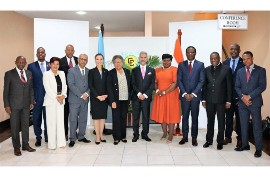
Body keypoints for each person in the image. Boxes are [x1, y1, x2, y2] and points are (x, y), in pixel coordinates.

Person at [234, 51, 266, 158]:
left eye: (248, 58)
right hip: (242, 103)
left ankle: (258, 149)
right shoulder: (240, 71)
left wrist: (249, 96)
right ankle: (245, 145)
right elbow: (237, 87)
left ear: (252, 58)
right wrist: (243, 98)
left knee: (256, 126)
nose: (246, 61)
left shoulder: (260, 70)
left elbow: (262, 86)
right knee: (243, 125)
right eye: (243, 59)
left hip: (255, 102)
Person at [3, 56, 36, 156]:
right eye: (19, 62)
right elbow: (6, 91)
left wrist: (31, 101)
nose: (21, 63)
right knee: (15, 127)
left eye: (23, 62)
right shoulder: (9, 74)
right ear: (15, 62)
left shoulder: (29, 73)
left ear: (25, 63)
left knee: (25, 126)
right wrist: (6, 105)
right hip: (14, 106)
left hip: (26, 105)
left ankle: (25, 145)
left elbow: (31, 89)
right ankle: (16, 147)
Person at [202, 52, 232, 150]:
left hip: (221, 101)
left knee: (221, 122)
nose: (213, 60)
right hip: (209, 100)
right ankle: (209, 140)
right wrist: (203, 99)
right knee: (210, 121)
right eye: (211, 59)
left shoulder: (226, 69)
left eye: (215, 58)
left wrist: (228, 101)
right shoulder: (206, 70)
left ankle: (220, 141)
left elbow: (229, 86)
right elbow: (204, 86)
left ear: (219, 58)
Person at [177, 46, 205, 146]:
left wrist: (193, 94)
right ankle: (185, 137)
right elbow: (179, 80)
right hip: (184, 97)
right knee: (184, 118)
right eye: (188, 52)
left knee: (194, 118)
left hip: (195, 97)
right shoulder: (181, 64)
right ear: (186, 53)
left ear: (195, 53)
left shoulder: (200, 65)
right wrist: (184, 93)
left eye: (192, 52)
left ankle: (194, 137)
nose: (190, 54)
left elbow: (201, 81)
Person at [151, 54, 180, 144]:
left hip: (171, 96)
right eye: (164, 60)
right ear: (162, 61)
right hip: (159, 96)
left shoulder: (175, 69)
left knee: (171, 115)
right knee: (162, 114)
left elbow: (175, 83)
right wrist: (157, 90)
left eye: (168, 60)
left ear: (171, 61)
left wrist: (165, 92)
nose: (166, 62)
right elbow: (155, 82)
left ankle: (170, 135)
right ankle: (164, 133)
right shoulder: (157, 70)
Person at [223, 43, 245, 148]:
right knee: (228, 118)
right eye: (231, 49)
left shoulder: (244, 62)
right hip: (228, 97)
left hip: (240, 97)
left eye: (235, 49)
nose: (233, 51)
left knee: (240, 119)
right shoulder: (225, 62)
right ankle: (228, 137)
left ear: (239, 50)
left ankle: (240, 138)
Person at [27, 47, 50, 147]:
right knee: (36, 118)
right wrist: (31, 99)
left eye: (42, 52)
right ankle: (38, 137)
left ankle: (48, 136)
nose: (41, 54)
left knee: (48, 118)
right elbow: (29, 84)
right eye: (39, 52)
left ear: (45, 54)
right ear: (36, 54)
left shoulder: (50, 65)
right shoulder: (31, 66)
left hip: (49, 98)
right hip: (36, 98)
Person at [67, 54, 91, 147]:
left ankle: (81, 136)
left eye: (85, 59)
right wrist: (81, 95)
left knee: (83, 119)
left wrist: (87, 94)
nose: (83, 61)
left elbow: (91, 85)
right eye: (81, 59)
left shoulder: (89, 71)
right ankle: (72, 138)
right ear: (78, 60)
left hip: (85, 100)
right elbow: (71, 84)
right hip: (74, 100)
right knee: (73, 120)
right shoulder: (71, 70)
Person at [43, 57, 67, 150]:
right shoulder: (46, 74)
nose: (56, 66)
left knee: (60, 122)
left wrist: (63, 96)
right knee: (51, 123)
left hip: (61, 101)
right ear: (50, 64)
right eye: (54, 64)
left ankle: (61, 143)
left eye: (57, 64)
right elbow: (47, 88)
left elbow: (65, 86)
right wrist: (57, 97)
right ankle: (52, 144)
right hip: (51, 101)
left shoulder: (62, 73)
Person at [131, 51, 155, 142]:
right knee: (136, 117)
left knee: (145, 117)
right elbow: (132, 84)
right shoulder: (134, 70)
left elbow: (152, 84)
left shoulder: (152, 70)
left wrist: (145, 95)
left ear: (147, 59)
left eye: (145, 57)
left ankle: (145, 134)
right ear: (139, 58)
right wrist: (139, 94)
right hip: (136, 98)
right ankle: (135, 135)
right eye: (141, 57)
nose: (143, 59)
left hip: (146, 98)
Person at [107, 55, 131, 145]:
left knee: (123, 118)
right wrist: (112, 101)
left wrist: (130, 98)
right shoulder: (111, 73)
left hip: (125, 99)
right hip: (115, 100)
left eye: (119, 62)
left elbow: (130, 85)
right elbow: (109, 88)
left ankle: (123, 136)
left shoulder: (127, 71)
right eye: (116, 62)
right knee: (116, 118)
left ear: (122, 62)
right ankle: (116, 137)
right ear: (113, 63)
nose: (118, 63)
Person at [88, 53, 108, 145]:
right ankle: (97, 137)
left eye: (101, 59)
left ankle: (101, 135)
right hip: (95, 98)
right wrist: (97, 96)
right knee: (96, 117)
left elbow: (108, 85)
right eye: (97, 59)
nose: (99, 61)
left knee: (102, 117)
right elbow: (91, 86)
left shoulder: (106, 71)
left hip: (104, 98)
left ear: (103, 60)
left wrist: (105, 95)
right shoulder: (91, 71)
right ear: (95, 60)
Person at [59, 44, 78, 141]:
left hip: (76, 93)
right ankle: (65, 133)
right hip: (65, 93)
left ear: (74, 51)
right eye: (68, 50)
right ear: (65, 51)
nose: (70, 52)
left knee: (75, 114)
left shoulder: (78, 60)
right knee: (65, 114)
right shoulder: (60, 61)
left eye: (72, 50)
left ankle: (74, 132)